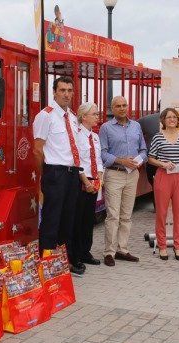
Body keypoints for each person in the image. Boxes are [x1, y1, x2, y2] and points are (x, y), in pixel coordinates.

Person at [32, 76, 82, 271]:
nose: (67, 94)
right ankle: (46, 263)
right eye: (62, 90)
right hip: (55, 172)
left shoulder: (72, 116)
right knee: (52, 219)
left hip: (71, 173)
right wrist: (45, 174)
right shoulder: (46, 115)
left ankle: (62, 263)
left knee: (68, 219)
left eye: (70, 90)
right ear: (54, 92)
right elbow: (37, 149)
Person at [99, 96, 147, 266]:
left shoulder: (136, 126)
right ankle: (109, 252)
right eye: (118, 106)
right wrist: (121, 160)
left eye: (124, 105)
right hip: (114, 174)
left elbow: (144, 150)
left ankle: (122, 249)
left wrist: (138, 161)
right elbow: (103, 153)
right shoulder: (105, 128)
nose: (121, 108)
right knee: (113, 215)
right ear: (112, 108)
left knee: (126, 215)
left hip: (133, 174)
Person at [147, 108, 179, 261]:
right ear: (163, 120)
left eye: (174, 117)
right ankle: (162, 246)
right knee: (162, 213)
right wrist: (163, 164)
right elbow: (150, 158)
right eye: (168, 117)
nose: (172, 119)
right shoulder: (158, 137)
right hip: (163, 177)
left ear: (178, 120)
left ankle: (178, 247)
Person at [69, 102, 104, 274]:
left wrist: (100, 179)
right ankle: (74, 256)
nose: (98, 117)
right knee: (78, 220)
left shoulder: (95, 137)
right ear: (84, 117)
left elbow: (98, 160)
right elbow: (78, 161)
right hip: (81, 181)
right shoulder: (76, 134)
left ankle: (85, 252)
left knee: (89, 220)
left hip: (95, 181)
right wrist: (86, 181)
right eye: (95, 114)